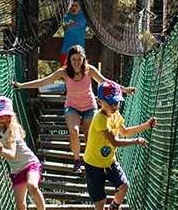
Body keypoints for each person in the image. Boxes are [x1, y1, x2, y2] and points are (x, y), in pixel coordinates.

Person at [13, 45, 135, 174]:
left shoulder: (90, 71)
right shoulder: (64, 72)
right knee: (74, 131)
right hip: (72, 106)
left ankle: (89, 161)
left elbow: (107, 83)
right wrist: (22, 86)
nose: (77, 62)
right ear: (69, 60)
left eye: (79, 59)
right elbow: (44, 81)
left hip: (89, 106)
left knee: (89, 136)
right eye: (74, 59)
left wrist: (125, 89)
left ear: (84, 59)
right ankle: (77, 160)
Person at [83, 80, 156, 210]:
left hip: (109, 162)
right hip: (93, 164)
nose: (115, 106)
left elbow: (124, 132)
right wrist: (136, 141)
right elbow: (115, 142)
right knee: (99, 199)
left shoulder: (116, 115)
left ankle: (114, 207)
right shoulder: (100, 119)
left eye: (117, 102)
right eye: (111, 103)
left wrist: (146, 126)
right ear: (99, 102)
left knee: (124, 185)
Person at [0, 96, 52, 210]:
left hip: (30, 164)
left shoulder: (12, 131)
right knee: (20, 204)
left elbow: (11, 155)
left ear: (11, 116)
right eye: (0, 117)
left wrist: (2, 150)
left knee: (32, 185)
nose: (3, 119)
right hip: (17, 171)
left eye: (6, 116)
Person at [60, 0, 86, 66]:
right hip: (66, 50)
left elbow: (96, 27)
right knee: (64, 73)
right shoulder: (64, 17)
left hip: (80, 51)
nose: (74, 8)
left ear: (79, 6)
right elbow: (51, 27)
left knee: (81, 73)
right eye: (72, 5)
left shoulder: (84, 17)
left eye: (76, 5)